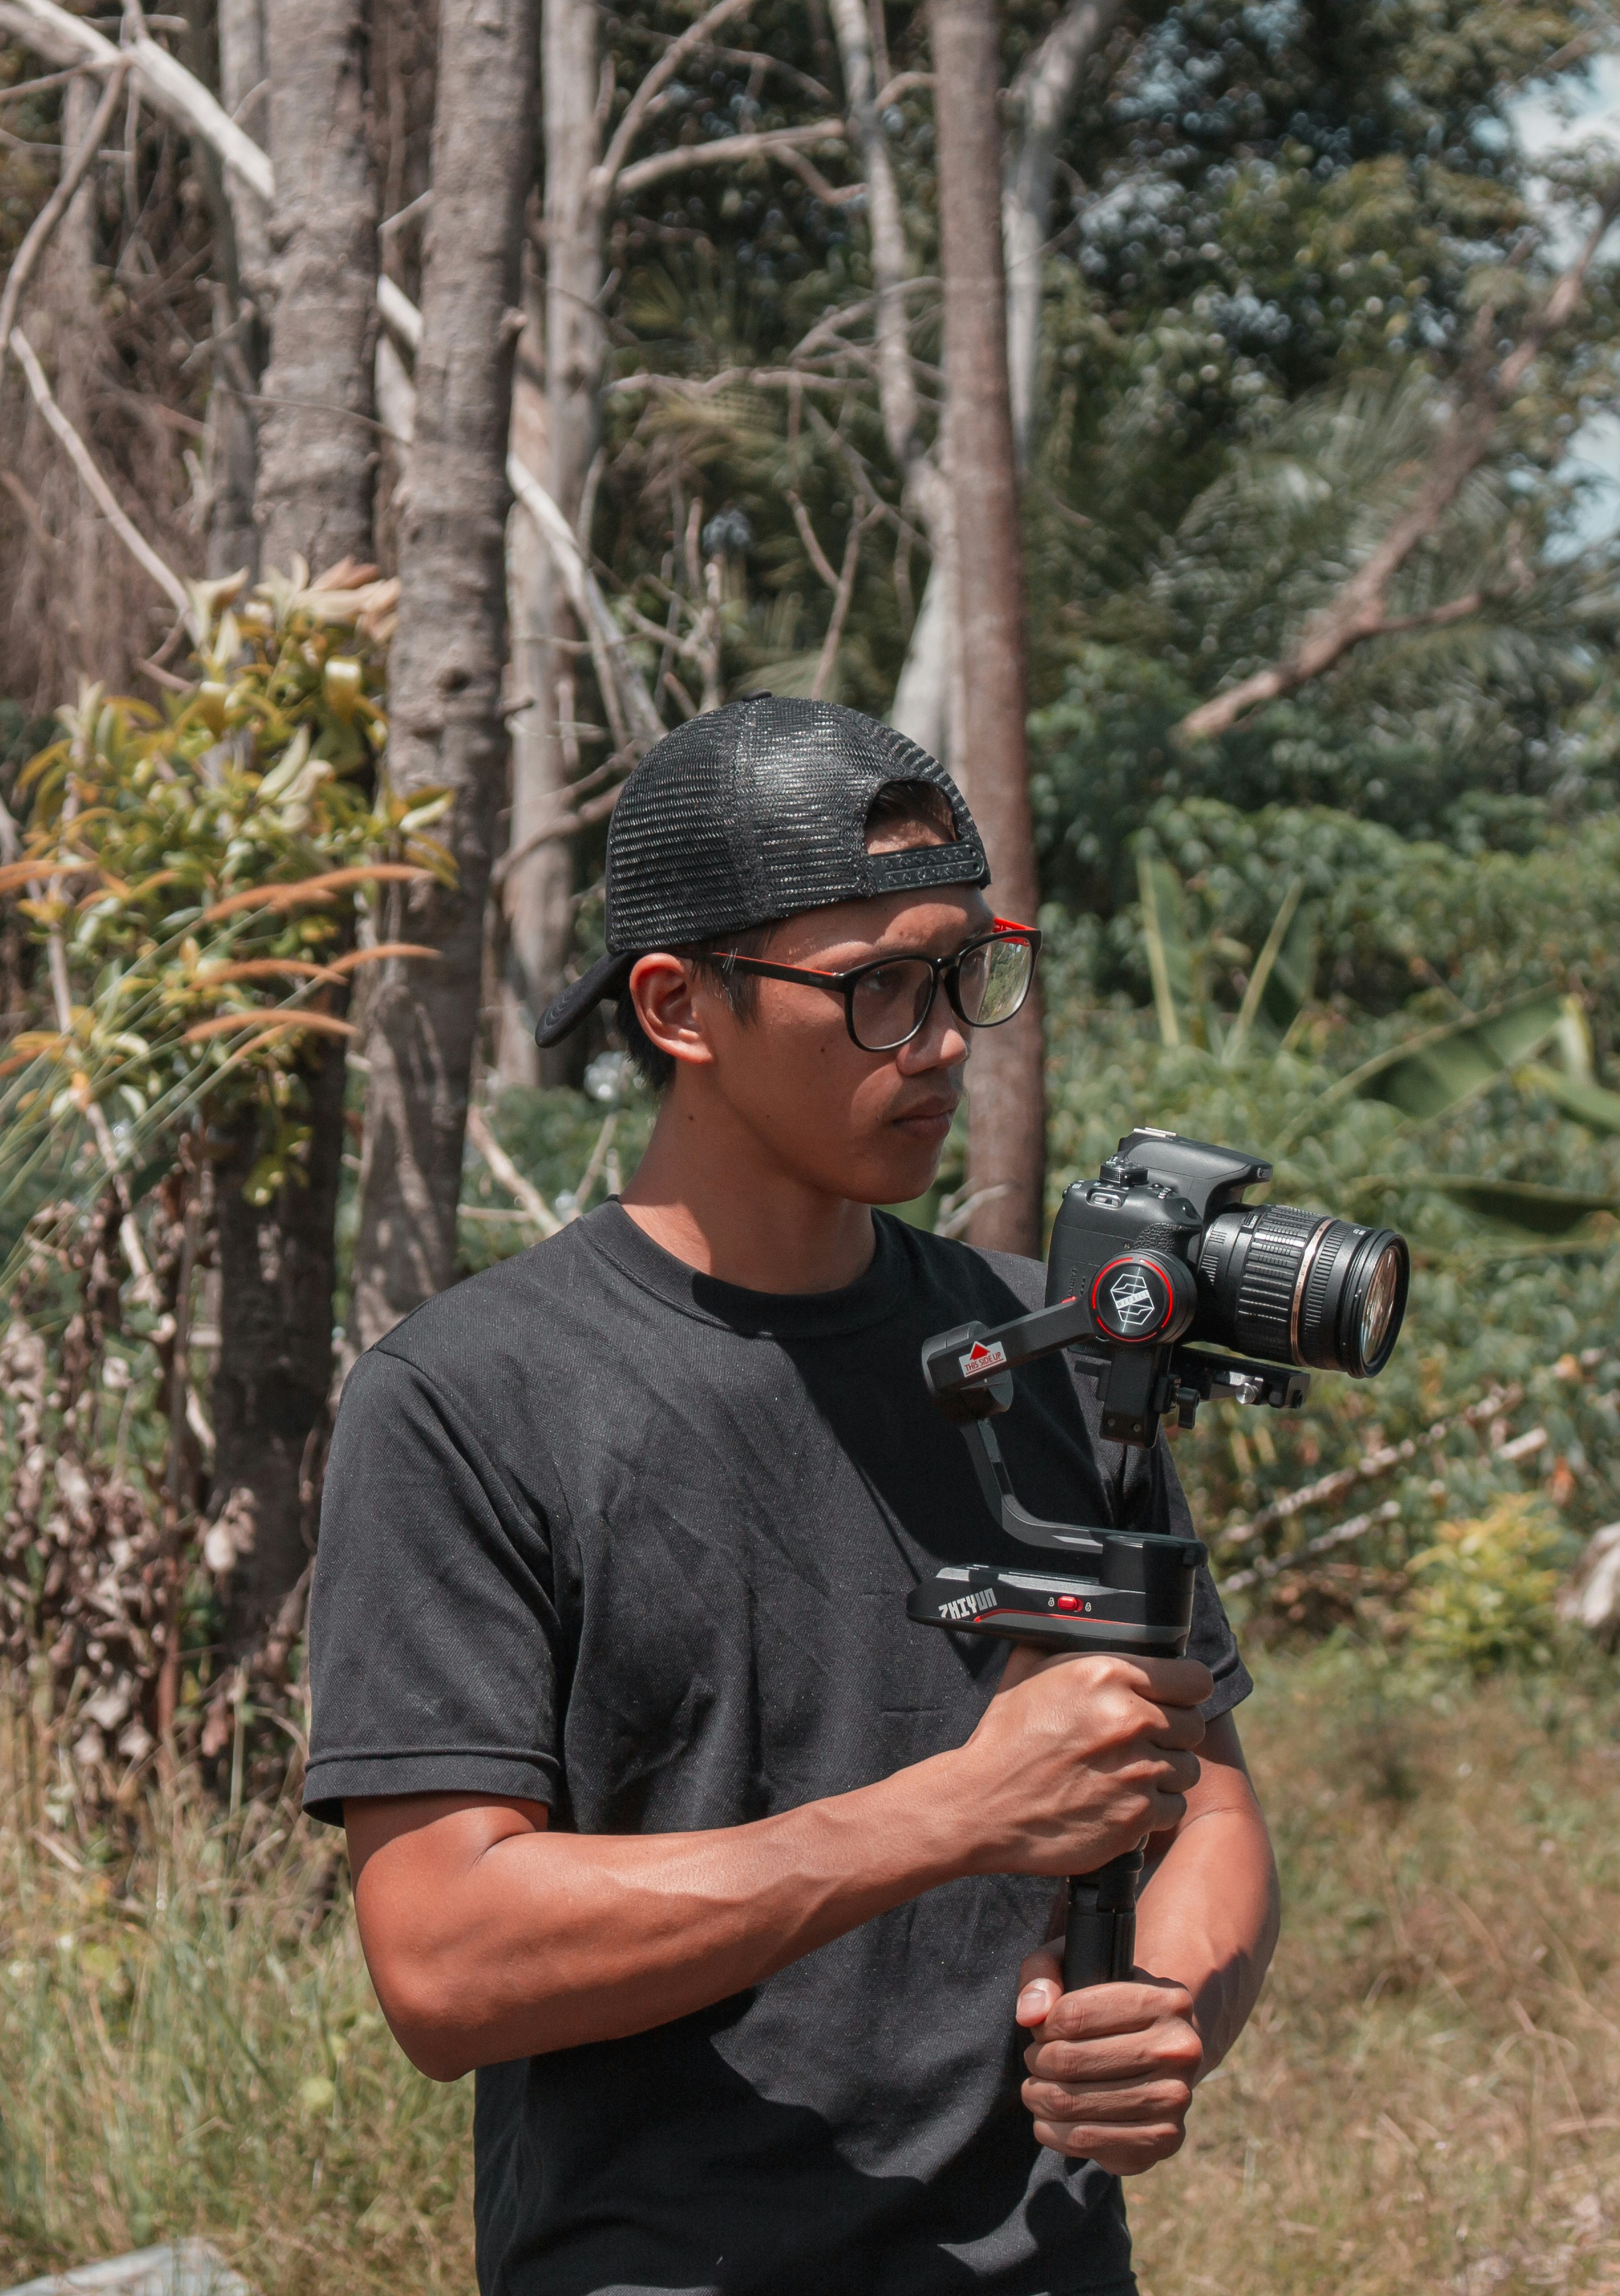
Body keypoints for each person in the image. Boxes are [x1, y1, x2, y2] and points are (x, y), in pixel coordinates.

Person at [303, 696, 1279, 2296]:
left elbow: (1209, 1806)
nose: (949, 1039)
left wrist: (1169, 2003)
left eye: (970, 969)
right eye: (878, 989)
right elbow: (443, 1956)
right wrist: (946, 1818)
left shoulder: (1049, 1350)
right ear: (680, 1006)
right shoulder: (471, 1398)